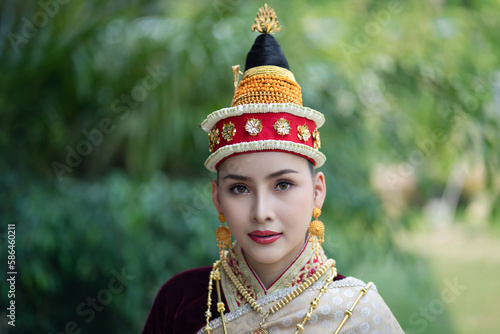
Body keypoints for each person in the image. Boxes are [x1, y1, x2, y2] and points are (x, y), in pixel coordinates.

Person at [142, 4, 404, 334]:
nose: (261, 212)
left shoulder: (358, 313)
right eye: (239, 188)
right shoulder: (181, 301)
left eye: (282, 185)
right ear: (217, 198)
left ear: (317, 191)